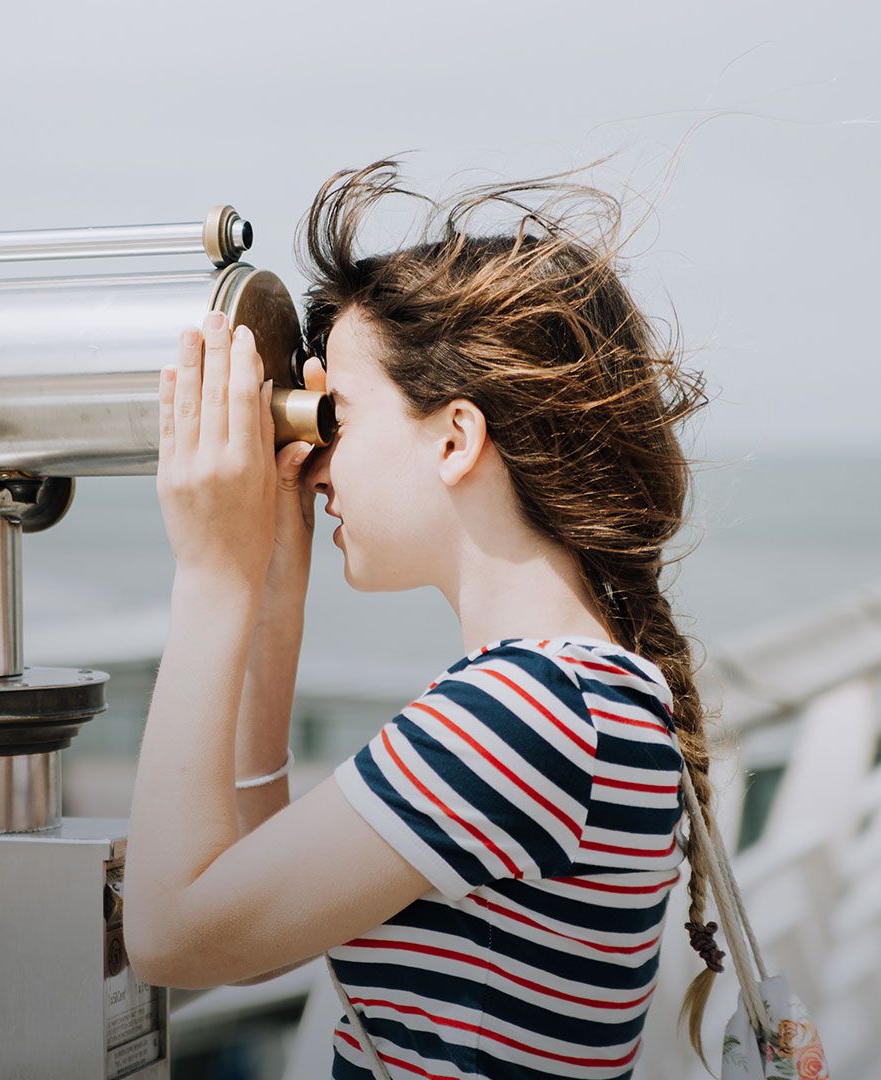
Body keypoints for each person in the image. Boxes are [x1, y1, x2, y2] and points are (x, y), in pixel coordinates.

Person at [124, 155, 721, 1079]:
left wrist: (212, 574)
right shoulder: (588, 695)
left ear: (455, 438)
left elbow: (167, 934)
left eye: (340, 419)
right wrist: (276, 601)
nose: (315, 465)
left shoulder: (529, 715)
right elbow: (256, 933)